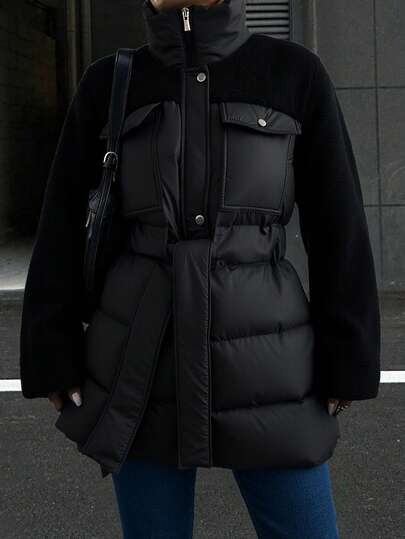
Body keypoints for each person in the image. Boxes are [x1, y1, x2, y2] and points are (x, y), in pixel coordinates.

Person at [19, 0, 381, 537]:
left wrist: (349, 355)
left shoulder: (294, 73)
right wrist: (51, 349)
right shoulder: (110, 82)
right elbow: (63, 223)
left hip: (272, 365)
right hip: (138, 368)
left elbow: (339, 225)